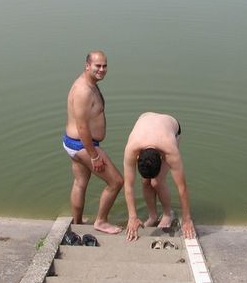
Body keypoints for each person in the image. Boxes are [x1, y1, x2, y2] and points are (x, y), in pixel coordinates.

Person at [63, 50, 123, 234]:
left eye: (105, 66)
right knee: (116, 182)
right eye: (98, 66)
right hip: (83, 145)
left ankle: (77, 223)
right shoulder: (83, 91)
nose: (102, 69)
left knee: (80, 182)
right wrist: (94, 156)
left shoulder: (90, 84)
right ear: (87, 66)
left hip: (74, 143)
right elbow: (82, 127)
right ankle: (101, 221)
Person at [123, 112, 196, 240]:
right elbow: (128, 185)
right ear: (138, 157)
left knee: (157, 181)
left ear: (162, 158)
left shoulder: (170, 151)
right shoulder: (131, 149)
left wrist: (187, 219)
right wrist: (132, 217)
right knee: (146, 182)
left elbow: (182, 187)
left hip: (171, 128)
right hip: (145, 118)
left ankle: (168, 214)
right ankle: (153, 216)